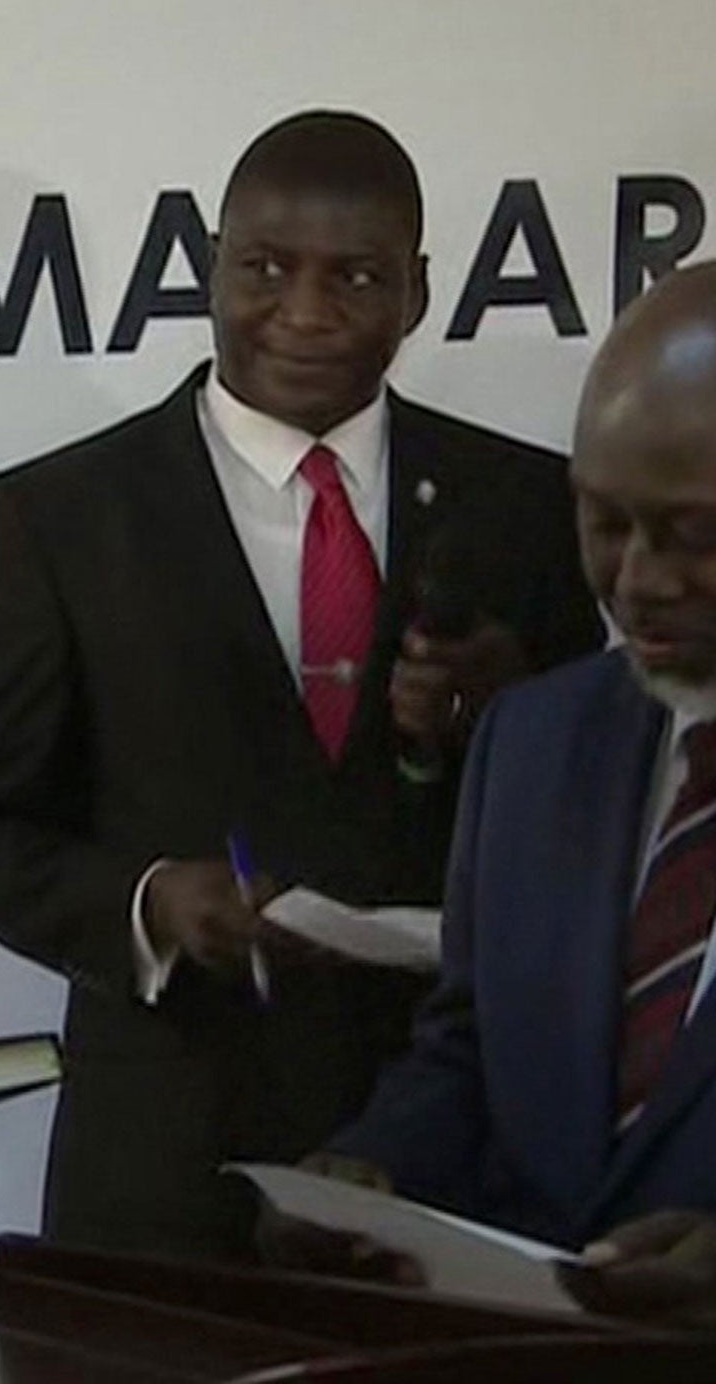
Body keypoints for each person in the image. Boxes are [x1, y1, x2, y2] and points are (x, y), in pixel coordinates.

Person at [0, 109, 603, 1259]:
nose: (304, 314)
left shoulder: (527, 506)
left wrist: (511, 715)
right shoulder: (65, 516)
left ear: (417, 291)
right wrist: (146, 902)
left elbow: (602, 840)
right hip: (166, 1160)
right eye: (266, 270)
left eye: (354, 277)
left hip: (453, 1159)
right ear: (210, 266)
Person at [285, 261, 716, 1329]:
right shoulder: (532, 738)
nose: (635, 582)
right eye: (602, 522)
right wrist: (366, 1173)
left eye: (692, 533)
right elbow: (473, 1047)